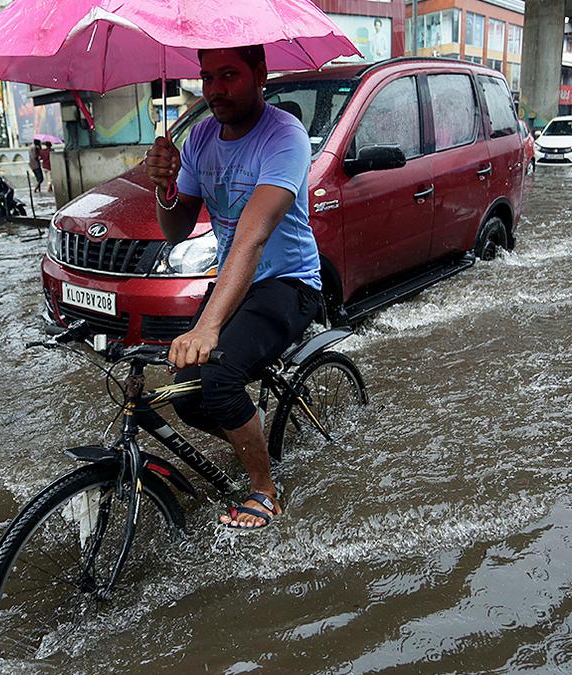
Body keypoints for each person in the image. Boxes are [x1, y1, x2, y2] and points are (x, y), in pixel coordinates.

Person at [143, 44, 322, 530]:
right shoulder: (200, 138)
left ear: (261, 74)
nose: (215, 90)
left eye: (229, 75)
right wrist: (166, 186)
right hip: (236, 281)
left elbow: (252, 237)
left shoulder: (284, 137)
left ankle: (266, 490)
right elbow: (176, 229)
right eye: (206, 77)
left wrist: (207, 328)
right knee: (183, 392)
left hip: (288, 282)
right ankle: (255, 440)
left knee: (219, 375)